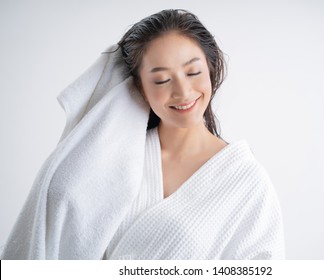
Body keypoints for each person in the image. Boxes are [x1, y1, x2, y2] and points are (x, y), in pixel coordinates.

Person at [1, 9, 284, 260]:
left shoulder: (247, 183)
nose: (183, 92)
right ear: (139, 87)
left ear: (211, 68)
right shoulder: (107, 158)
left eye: (193, 72)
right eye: (161, 79)